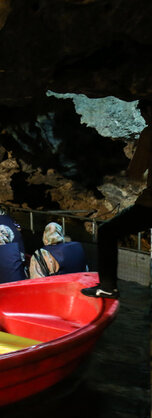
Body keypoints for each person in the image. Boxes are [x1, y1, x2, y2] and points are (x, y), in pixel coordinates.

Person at [82, 100, 152, 299]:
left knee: (107, 232)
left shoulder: (149, 133)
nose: (144, 119)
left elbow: (135, 172)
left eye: (145, 113)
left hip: (150, 206)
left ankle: (107, 286)